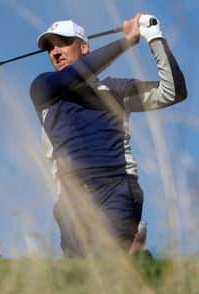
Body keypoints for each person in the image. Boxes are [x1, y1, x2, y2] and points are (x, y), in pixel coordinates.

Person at [30, 13, 186, 257]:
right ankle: (139, 260)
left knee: (109, 266)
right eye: (50, 48)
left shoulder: (115, 90)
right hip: (71, 198)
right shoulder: (43, 88)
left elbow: (173, 91)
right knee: (79, 277)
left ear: (84, 47)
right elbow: (78, 74)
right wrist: (126, 41)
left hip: (116, 188)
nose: (55, 52)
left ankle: (133, 258)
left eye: (63, 43)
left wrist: (153, 36)